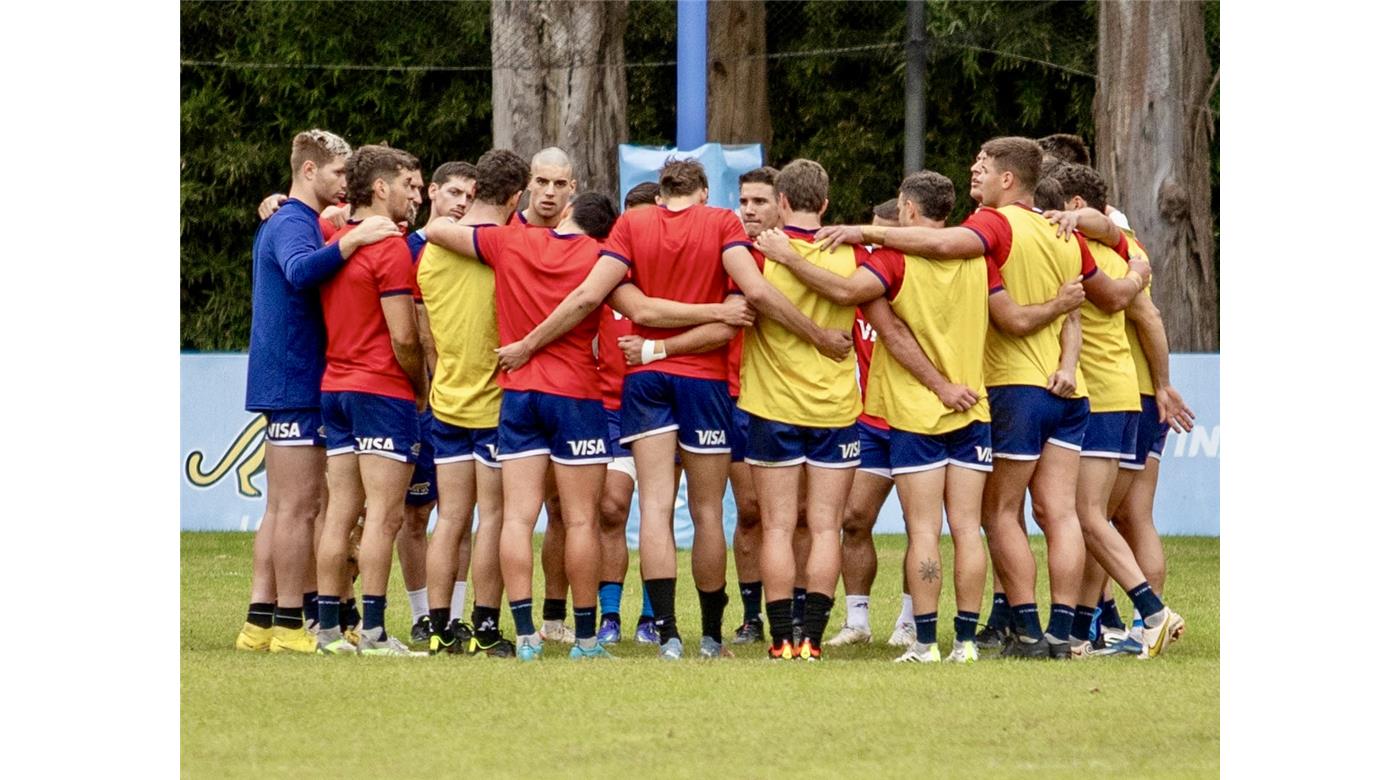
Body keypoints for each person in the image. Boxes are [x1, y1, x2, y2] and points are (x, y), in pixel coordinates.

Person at [492, 156, 848, 660]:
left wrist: (648, 346)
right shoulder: (721, 223)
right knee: (707, 513)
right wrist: (817, 336)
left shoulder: (632, 225)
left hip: (645, 380)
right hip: (704, 381)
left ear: (659, 195)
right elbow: (752, 296)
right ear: (704, 193)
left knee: (655, 509)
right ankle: (710, 637)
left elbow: (610, 299)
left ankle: (668, 635)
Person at [814, 137, 1148, 659]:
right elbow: (1102, 298)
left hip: (995, 392)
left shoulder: (989, 229)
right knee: (1050, 516)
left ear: (1007, 179)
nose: (975, 171)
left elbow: (962, 286)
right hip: (1059, 392)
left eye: (983, 166)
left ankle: (996, 635)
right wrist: (1138, 267)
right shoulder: (1059, 231)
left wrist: (862, 233)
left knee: (980, 520)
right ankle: (1058, 633)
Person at [758, 169, 994, 664]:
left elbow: (851, 297)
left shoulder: (891, 259)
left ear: (907, 208)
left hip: (916, 410)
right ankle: (966, 642)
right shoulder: (976, 254)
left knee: (924, 530)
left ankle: (925, 643)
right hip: (974, 405)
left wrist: (789, 257)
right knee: (967, 529)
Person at [238, 130, 399, 654]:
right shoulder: (291, 221)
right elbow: (299, 270)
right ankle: (289, 625)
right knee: (298, 510)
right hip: (295, 380)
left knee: (283, 508)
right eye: (337, 173)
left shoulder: (295, 218)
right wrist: (353, 240)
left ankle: (261, 622)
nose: (345, 183)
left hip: (289, 379)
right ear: (309, 171)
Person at [1041, 163, 1190, 658]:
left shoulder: (1085, 245)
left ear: (1074, 206)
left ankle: (1150, 614)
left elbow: (1142, 310)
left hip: (1107, 396)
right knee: (1105, 518)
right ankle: (1085, 630)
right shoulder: (1124, 246)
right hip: (1125, 393)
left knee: (1094, 517)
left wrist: (1162, 384)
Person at [741, 159, 868, 662]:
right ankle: (812, 639)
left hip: (772, 405)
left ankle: (780, 641)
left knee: (776, 526)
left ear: (783, 202)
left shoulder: (760, 254)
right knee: (825, 526)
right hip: (835, 407)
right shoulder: (852, 253)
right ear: (826, 204)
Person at [310, 144, 428, 656]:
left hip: (335, 388)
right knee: (384, 515)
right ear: (381, 187)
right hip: (380, 390)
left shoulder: (337, 240)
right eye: (407, 185)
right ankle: (375, 633)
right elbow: (404, 335)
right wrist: (419, 387)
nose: (413, 196)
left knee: (340, 513)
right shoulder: (389, 247)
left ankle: (328, 632)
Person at [415, 149, 532, 656]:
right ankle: (485, 627)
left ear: (476, 188)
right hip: (494, 402)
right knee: (495, 519)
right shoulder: (508, 247)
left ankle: (439, 627)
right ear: (516, 197)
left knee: (450, 519)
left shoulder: (432, 250)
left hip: (447, 398)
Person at [401, 160, 476, 644]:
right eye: (454, 193)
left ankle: (455, 615)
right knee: (413, 513)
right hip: (415, 402)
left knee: (459, 511)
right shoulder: (404, 247)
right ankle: (421, 614)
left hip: (466, 399)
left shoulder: (477, 248)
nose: (462, 203)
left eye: (470, 196)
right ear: (432, 192)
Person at [595, 181, 664, 646]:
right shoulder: (605, 270)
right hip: (612, 408)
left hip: (660, 405)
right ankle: (610, 614)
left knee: (657, 511)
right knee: (611, 508)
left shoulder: (674, 274)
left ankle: (652, 616)